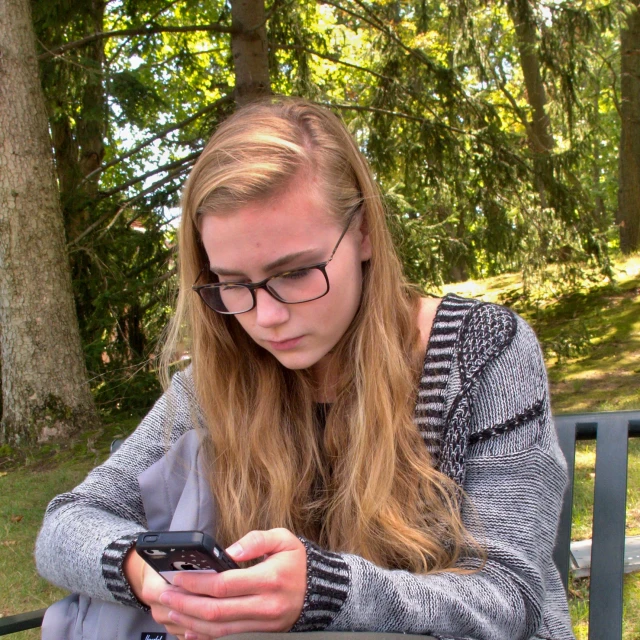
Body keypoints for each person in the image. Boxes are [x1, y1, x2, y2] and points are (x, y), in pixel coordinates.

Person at [36, 98, 575, 640]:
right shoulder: (220, 381)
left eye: (295, 273)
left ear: (362, 233)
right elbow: (66, 525)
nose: (266, 317)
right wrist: (151, 577)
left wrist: (323, 592)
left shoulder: (481, 354)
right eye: (233, 282)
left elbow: (512, 597)